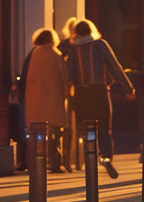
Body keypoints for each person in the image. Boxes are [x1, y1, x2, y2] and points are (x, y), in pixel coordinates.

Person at [67, 19, 134, 178]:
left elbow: (69, 74)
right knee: (104, 127)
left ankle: (90, 157)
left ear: (76, 33)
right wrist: (128, 87)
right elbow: (114, 66)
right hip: (99, 91)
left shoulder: (73, 49)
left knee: (87, 128)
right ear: (91, 30)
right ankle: (105, 157)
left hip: (81, 93)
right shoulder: (100, 45)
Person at [20, 28, 70, 172]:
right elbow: (64, 75)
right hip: (53, 100)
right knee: (54, 133)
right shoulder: (55, 54)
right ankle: (55, 163)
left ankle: (32, 163)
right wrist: (67, 93)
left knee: (35, 133)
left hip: (34, 101)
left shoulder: (34, 54)